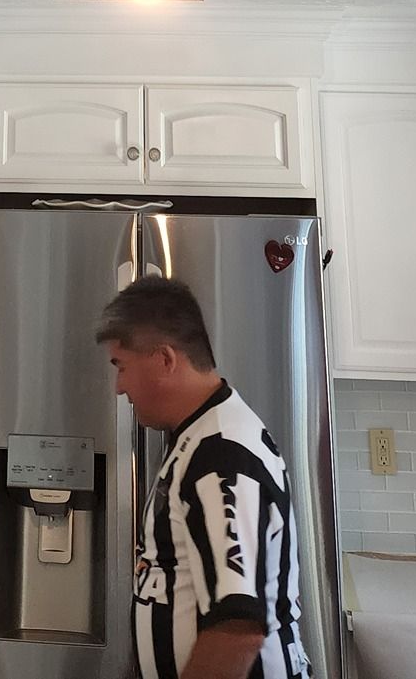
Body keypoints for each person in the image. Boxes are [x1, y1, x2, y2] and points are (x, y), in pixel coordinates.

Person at [96, 274, 310, 679]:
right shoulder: (199, 436)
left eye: (122, 366)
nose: (119, 387)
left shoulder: (220, 456)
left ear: (164, 359)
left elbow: (237, 628)